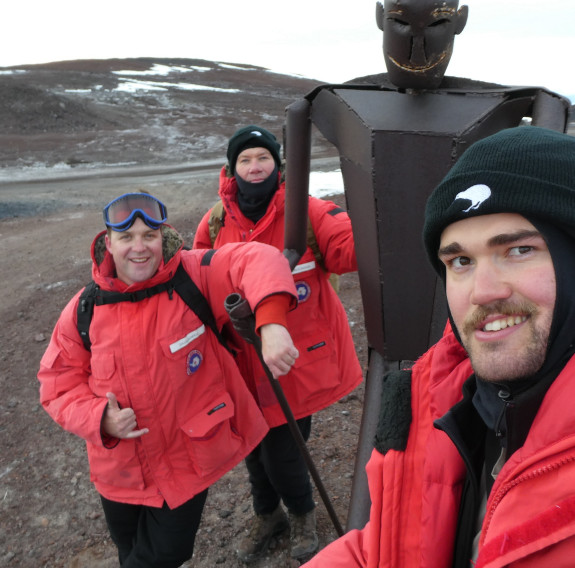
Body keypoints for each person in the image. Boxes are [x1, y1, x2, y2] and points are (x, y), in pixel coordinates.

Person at [303, 125, 575, 567]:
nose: (482, 291)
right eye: (461, 261)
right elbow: (387, 545)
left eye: (519, 250)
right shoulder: (441, 402)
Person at [37, 191, 301, 568]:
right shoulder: (84, 308)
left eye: (149, 235)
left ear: (163, 237)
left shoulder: (194, 276)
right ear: (108, 243)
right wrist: (99, 419)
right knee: (129, 551)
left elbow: (258, 258)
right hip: (119, 472)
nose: (139, 247)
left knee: (167, 554)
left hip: (186, 466)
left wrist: (272, 321)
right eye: (127, 238)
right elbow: (56, 383)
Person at [193, 125, 363, 562]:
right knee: (253, 447)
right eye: (245, 160)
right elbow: (198, 282)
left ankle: (302, 513)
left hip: (293, 363)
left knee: (283, 451)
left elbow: (349, 247)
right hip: (242, 362)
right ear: (231, 167)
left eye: (263, 158)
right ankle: (267, 514)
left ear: (278, 164)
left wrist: (374, 216)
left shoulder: (306, 212)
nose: (254, 168)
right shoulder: (215, 222)